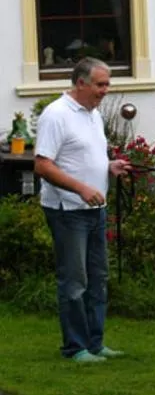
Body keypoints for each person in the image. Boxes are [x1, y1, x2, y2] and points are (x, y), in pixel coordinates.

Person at [34, 57, 131, 363]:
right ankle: (75, 347)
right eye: (100, 84)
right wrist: (81, 188)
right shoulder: (56, 115)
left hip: (96, 208)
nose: (105, 90)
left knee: (98, 278)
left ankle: (95, 343)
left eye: (107, 84)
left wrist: (109, 166)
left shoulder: (93, 114)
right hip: (68, 210)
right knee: (75, 281)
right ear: (80, 83)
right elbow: (42, 165)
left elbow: (84, 156)